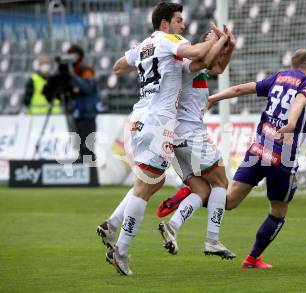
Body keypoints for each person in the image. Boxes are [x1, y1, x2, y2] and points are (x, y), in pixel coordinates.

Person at [96, 1, 222, 276]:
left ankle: (112, 225)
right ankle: (121, 250)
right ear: (165, 23)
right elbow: (199, 52)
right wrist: (218, 40)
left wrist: (140, 62)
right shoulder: (168, 40)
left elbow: (118, 66)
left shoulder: (144, 45)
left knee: (152, 181)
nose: (183, 25)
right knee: (145, 187)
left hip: (139, 118)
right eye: (178, 20)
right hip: (159, 122)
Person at [166, 48, 306, 269]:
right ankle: (253, 258)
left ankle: (197, 194)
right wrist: (292, 122)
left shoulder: (279, 77)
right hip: (282, 157)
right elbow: (299, 101)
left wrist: (214, 98)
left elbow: (242, 88)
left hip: (257, 150)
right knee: (278, 211)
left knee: (227, 201)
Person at [157, 25, 236, 259]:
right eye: (213, 39)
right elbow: (208, 60)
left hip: (175, 137)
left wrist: (228, 45)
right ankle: (212, 240)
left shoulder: (198, 67)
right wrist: (221, 41)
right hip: (188, 132)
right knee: (221, 181)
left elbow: (218, 67)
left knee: (201, 189)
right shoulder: (186, 64)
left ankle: (172, 226)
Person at [67, 44, 102, 161]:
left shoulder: (86, 70)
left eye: (73, 55)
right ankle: (84, 171)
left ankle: (90, 175)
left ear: (79, 56)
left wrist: (74, 78)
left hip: (87, 112)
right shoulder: (72, 71)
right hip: (76, 112)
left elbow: (88, 88)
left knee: (87, 145)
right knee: (80, 145)